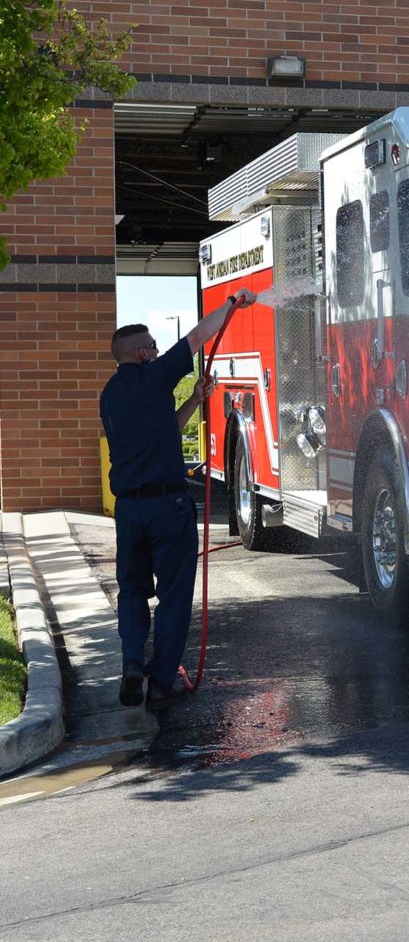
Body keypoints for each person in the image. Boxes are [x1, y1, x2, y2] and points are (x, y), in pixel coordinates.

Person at [100, 287, 257, 710]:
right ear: (140, 354)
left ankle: (132, 663)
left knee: (132, 591)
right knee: (173, 594)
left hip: (129, 510)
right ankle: (162, 679)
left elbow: (163, 429)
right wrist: (232, 304)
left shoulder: (110, 395)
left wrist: (193, 400)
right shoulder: (154, 375)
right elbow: (196, 336)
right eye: (151, 345)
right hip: (167, 508)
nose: (156, 349)